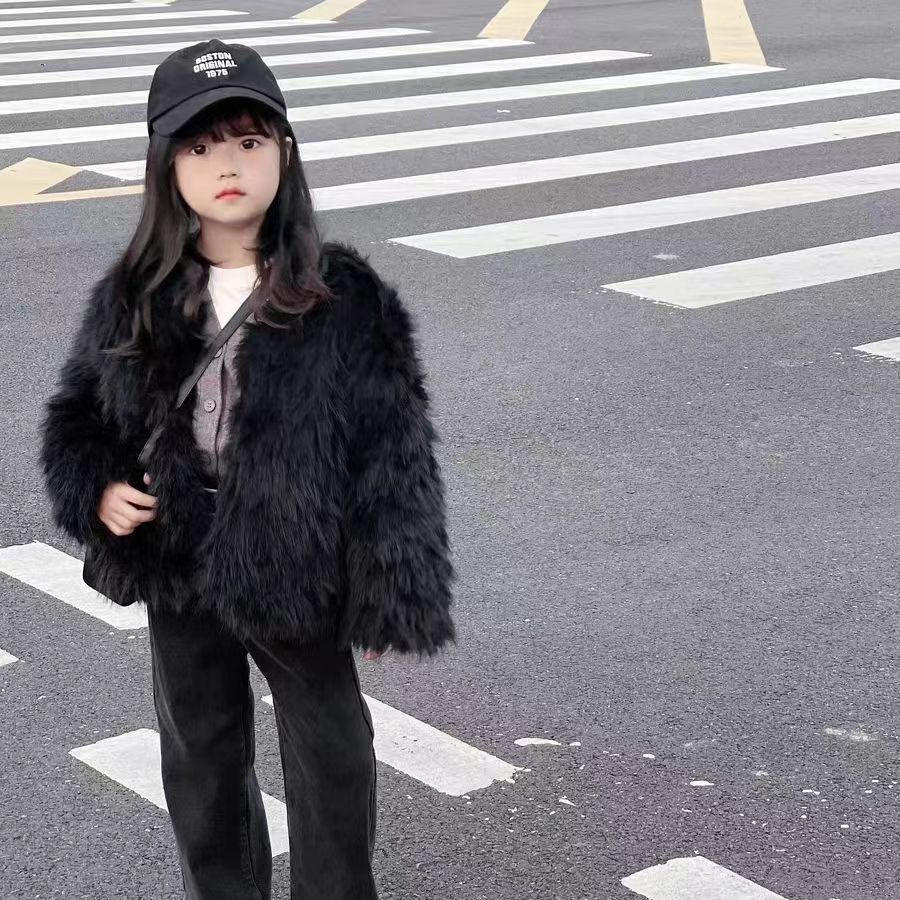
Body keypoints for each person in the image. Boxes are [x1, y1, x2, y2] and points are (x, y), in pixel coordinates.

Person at [39, 38, 456, 900]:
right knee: (202, 751)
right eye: (198, 147)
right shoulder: (137, 290)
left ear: (285, 152)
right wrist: (98, 488)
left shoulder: (346, 296)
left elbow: (395, 453)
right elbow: (81, 413)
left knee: (333, 749)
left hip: (294, 556)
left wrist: (391, 589)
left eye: (248, 141)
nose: (226, 165)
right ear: (166, 168)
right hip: (178, 548)